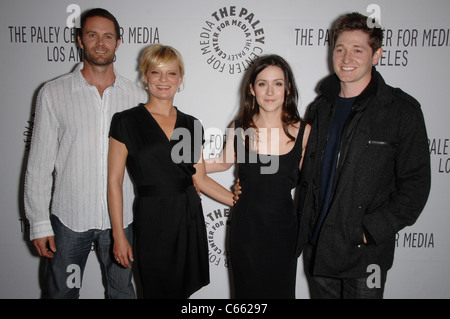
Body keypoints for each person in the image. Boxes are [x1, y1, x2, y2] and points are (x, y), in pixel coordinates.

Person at [295, 12, 431, 298]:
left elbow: (416, 184)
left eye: (358, 50)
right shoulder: (319, 109)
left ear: (377, 55)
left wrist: (370, 230)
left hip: (365, 256)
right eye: (340, 48)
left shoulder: (401, 110)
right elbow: (306, 172)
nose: (346, 58)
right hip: (318, 249)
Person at [23, 8, 147, 298]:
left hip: (122, 222)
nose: (100, 43)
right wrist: (39, 222)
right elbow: (39, 164)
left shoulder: (138, 97)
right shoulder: (53, 93)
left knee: (122, 294)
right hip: (69, 222)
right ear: (80, 40)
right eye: (92, 35)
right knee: (63, 294)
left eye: (107, 36)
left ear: (119, 42)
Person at [108, 44, 234, 299]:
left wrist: (241, 203)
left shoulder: (191, 124)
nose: (164, 80)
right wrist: (118, 234)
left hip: (187, 217)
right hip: (151, 218)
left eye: (172, 73)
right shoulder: (125, 121)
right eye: (156, 72)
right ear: (145, 76)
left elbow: (200, 178)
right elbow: (114, 181)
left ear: (180, 79)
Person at [206, 54, 310, 298]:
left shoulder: (304, 132)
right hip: (246, 234)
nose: (270, 91)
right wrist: (178, 162)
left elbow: (312, 184)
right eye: (262, 83)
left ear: (288, 88)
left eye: (278, 83)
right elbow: (221, 163)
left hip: (285, 234)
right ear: (252, 89)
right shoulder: (239, 129)